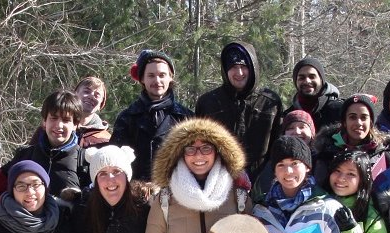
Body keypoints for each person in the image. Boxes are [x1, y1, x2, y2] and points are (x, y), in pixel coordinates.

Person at [195, 41, 283, 173]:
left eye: (243, 66)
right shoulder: (208, 103)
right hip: (219, 177)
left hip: (261, 178)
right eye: (233, 67)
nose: (239, 72)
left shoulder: (270, 103)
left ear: (253, 67)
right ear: (225, 69)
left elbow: (278, 146)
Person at [112, 50, 193, 182]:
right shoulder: (127, 118)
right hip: (137, 190)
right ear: (142, 79)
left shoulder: (186, 117)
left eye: (162, 75)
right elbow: (114, 160)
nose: (157, 80)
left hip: (177, 190)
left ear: (170, 77)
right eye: (151, 75)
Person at [10, 91, 89, 200]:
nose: (59, 125)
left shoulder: (84, 161)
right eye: (54, 118)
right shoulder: (25, 155)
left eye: (66, 120)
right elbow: (2, 188)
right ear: (44, 121)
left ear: (75, 125)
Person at [312, 93, 390, 183]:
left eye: (364, 117)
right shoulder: (327, 152)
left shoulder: (384, 155)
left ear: (371, 122)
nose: (358, 123)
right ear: (344, 122)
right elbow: (319, 186)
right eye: (352, 117)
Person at [289, 57, 345, 129]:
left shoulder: (340, 110)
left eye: (312, 77)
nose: (307, 81)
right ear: (296, 82)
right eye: (302, 78)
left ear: (321, 79)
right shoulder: (289, 116)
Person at [75, 76, 113, 147]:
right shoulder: (58, 127)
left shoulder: (106, 140)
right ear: (75, 94)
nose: (91, 96)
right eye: (86, 91)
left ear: (101, 104)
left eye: (97, 95)